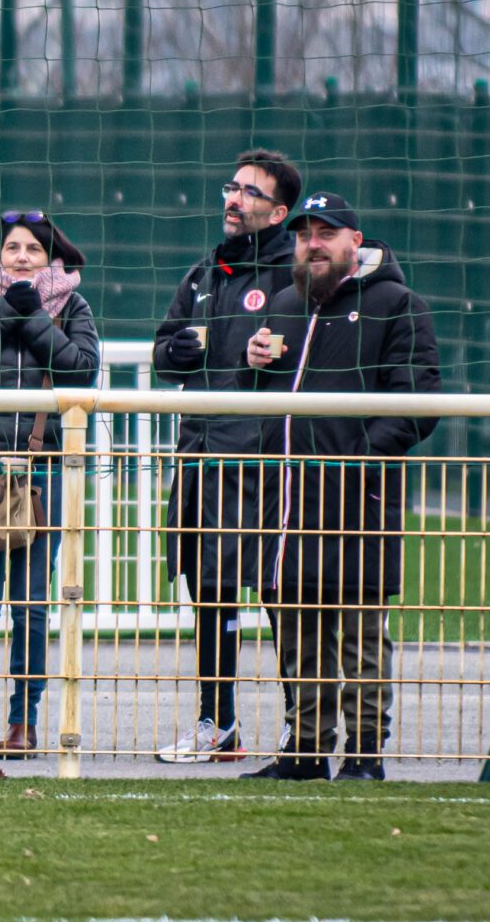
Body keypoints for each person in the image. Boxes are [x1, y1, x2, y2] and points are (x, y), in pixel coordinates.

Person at [243, 191, 441, 783]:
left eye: (326, 234)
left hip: (359, 502)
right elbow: (258, 401)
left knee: (360, 636)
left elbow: (418, 403)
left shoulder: (398, 304)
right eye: (305, 235)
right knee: (297, 636)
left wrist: (357, 464)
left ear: (355, 241)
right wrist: (250, 366)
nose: (313, 244)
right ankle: (305, 751)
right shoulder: (283, 303)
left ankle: (364, 754)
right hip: (286, 503)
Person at [150, 148, 299, 766]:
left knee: (282, 594)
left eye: (249, 192)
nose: (234, 200)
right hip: (201, 456)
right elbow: (163, 352)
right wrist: (176, 352)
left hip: (264, 462)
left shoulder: (295, 277)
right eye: (231, 188)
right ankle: (219, 725)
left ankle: (302, 725)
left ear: (279, 211)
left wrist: (274, 359)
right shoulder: (203, 274)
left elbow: (315, 356)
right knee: (209, 591)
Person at [0, 210, 101, 759]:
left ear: (51, 257)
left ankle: (22, 722)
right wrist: (6, 310)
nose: (22, 257)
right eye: (13, 248)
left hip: (43, 470)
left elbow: (81, 370)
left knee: (31, 606)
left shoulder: (72, 305)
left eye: (33, 248)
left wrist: (33, 319)